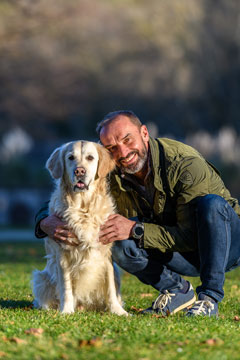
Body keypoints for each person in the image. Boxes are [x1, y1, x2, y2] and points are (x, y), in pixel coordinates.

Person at [35, 110, 240, 317]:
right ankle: (178, 290)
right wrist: (44, 221)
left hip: (225, 246)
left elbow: (189, 235)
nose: (123, 152)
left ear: (144, 133)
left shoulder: (184, 165)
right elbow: (65, 198)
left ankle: (209, 298)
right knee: (117, 238)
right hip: (177, 251)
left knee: (212, 204)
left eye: (127, 139)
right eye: (113, 148)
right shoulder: (110, 169)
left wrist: (135, 229)